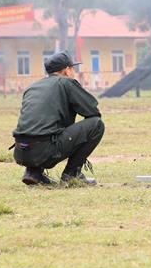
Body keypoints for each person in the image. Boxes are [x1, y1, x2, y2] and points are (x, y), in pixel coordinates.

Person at [10, 51, 105, 186]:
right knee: (96, 124)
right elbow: (92, 111)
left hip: (21, 152)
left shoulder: (33, 87)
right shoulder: (66, 83)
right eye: (73, 68)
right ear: (66, 70)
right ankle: (72, 173)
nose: (74, 72)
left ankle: (33, 173)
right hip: (45, 151)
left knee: (42, 127)